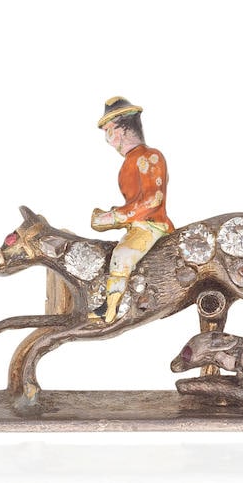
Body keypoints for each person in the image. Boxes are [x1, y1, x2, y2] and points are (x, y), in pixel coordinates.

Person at [91, 97, 174, 323]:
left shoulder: (150, 156)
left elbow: (153, 200)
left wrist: (113, 217)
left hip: (152, 224)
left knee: (122, 255)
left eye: (108, 130)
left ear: (121, 129)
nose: (108, 139)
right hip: (137, 224)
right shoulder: (130, 161)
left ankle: (111, 310)